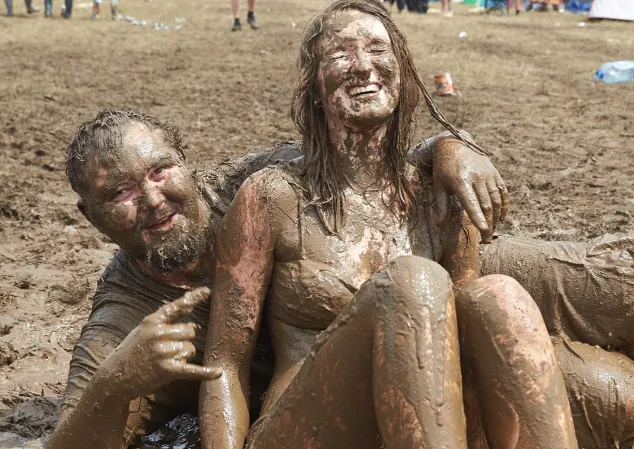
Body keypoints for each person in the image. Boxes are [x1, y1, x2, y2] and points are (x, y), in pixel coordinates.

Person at [198, 1, 583, 448]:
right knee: (411, 281)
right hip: (306, 432)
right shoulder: (273, 196)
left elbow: (465, 350)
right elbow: (225, 363)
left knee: (499, 296)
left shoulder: (439, 196)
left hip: (418, 424)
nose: (363, 67)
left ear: (403, 73)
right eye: (341, 53)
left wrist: (453, 144)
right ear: (315, 88)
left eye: (377, 49)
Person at [46, 108, 509, 449]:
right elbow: (67, 439)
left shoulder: (253, 185)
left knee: (524, 300)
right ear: (90, 216)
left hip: (393, 316)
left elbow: (365, 161)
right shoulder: (127, 314)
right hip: (306, 409)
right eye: (119, 193)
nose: (150, 198)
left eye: (160, 170)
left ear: (185, 162)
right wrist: (116, 382)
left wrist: (448, 148)